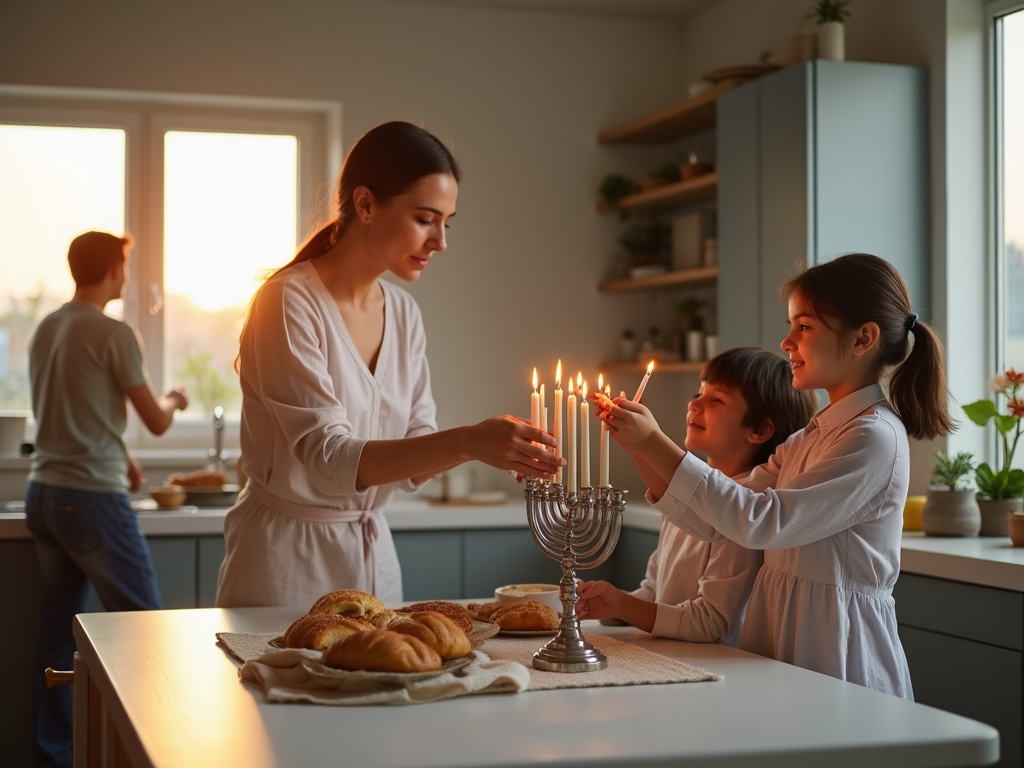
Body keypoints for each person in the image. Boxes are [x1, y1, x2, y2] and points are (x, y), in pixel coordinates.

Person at [215, 121, 563, 609]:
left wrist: (496, 449)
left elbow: (415, 450)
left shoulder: (403, 313)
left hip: (375, 563)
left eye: (447, 222)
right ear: (365, 205)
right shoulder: (286, 302)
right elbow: (330, 461)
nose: (440, 241)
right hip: (285, 567)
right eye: (425, 218)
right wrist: (468, 441)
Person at [590, 253, 954, 699]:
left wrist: (654, 442)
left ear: (863, 338)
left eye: (804, 327)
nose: (786, 342)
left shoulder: (873, 439)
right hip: (782, 637)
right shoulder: (809, 437)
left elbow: (763, 522)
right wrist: (640, 445)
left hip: (836, 650)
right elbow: (715, 523)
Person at [26, 230, 190, 768]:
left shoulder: (47, 327)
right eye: (124, 263)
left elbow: (74, 410)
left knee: (58, 636)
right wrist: (175, 397)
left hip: (44, 493)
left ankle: (56, 758)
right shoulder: (114, 333)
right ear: (113, 271)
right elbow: (158, 422)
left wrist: (118, 453)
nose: (126, 272)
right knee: (144, 631)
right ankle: (152, 754)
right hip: (91, 500)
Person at [576, 347, 815, 644]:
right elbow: (654, 590)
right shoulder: (683, 492)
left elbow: (710, 623)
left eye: (716, 399)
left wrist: (624, 606)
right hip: (670, 658)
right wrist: (608, 604)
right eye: (698, 393)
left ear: (759, 429)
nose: (695, 404)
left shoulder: (740, 508)